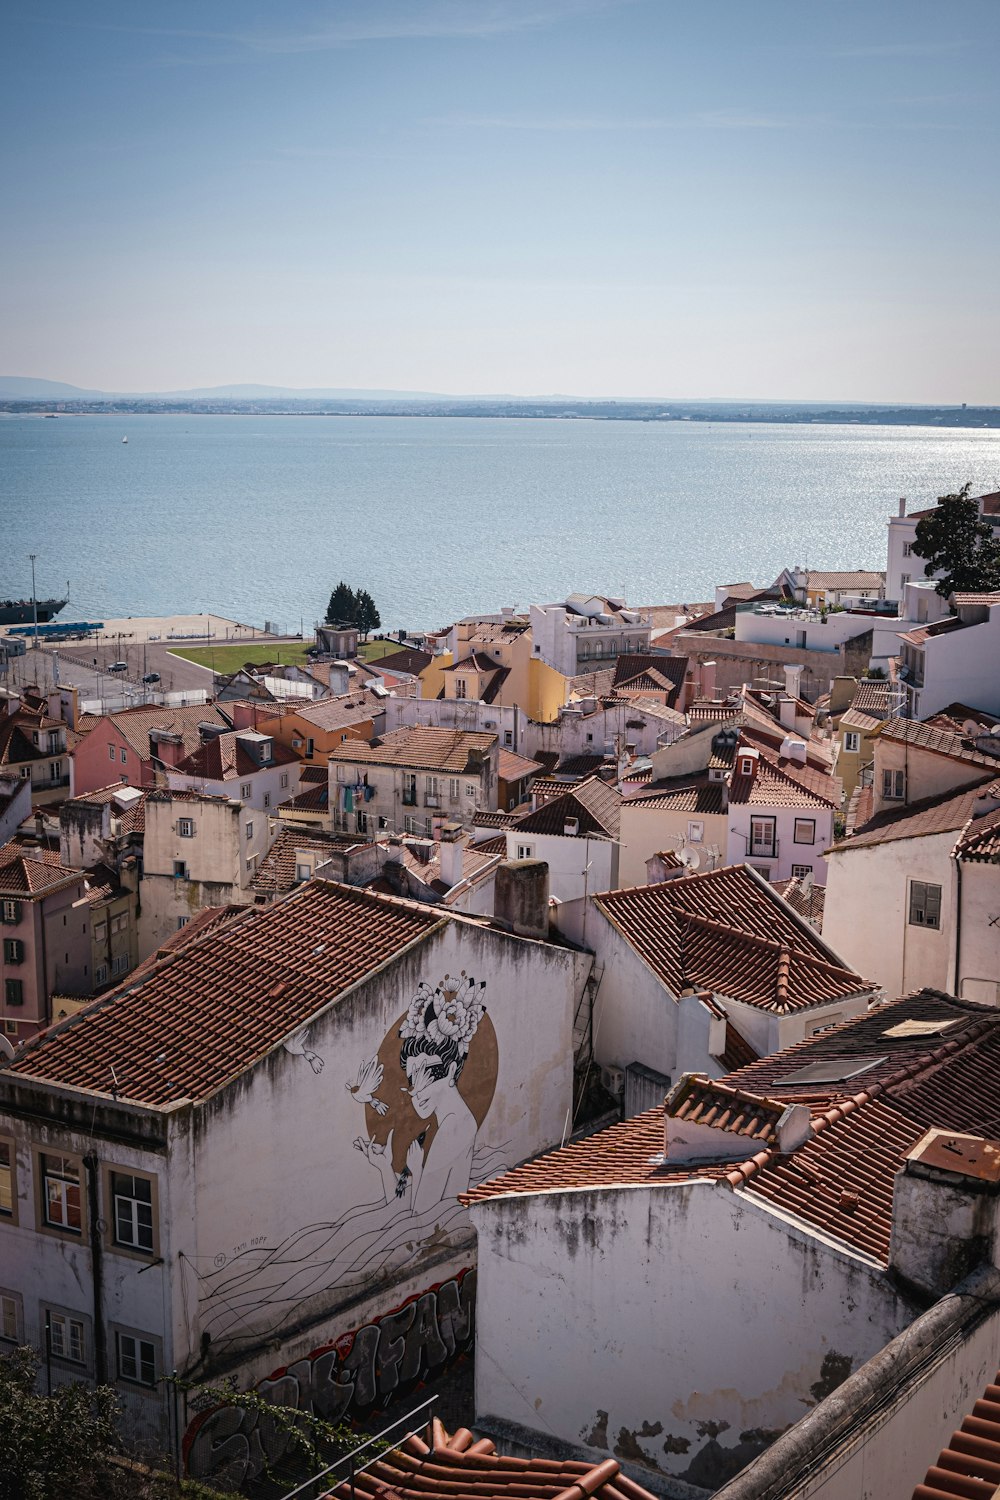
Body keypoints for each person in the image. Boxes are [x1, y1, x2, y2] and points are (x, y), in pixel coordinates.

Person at [354, 977, 486, 1213]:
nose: (417, 1092)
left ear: (452, 1070)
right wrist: (384, 1166)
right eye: (413, 1080)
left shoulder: (452, 1130)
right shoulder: (458, 1121)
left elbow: (418, 1216)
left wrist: (418, 1168)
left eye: (428, 1075)